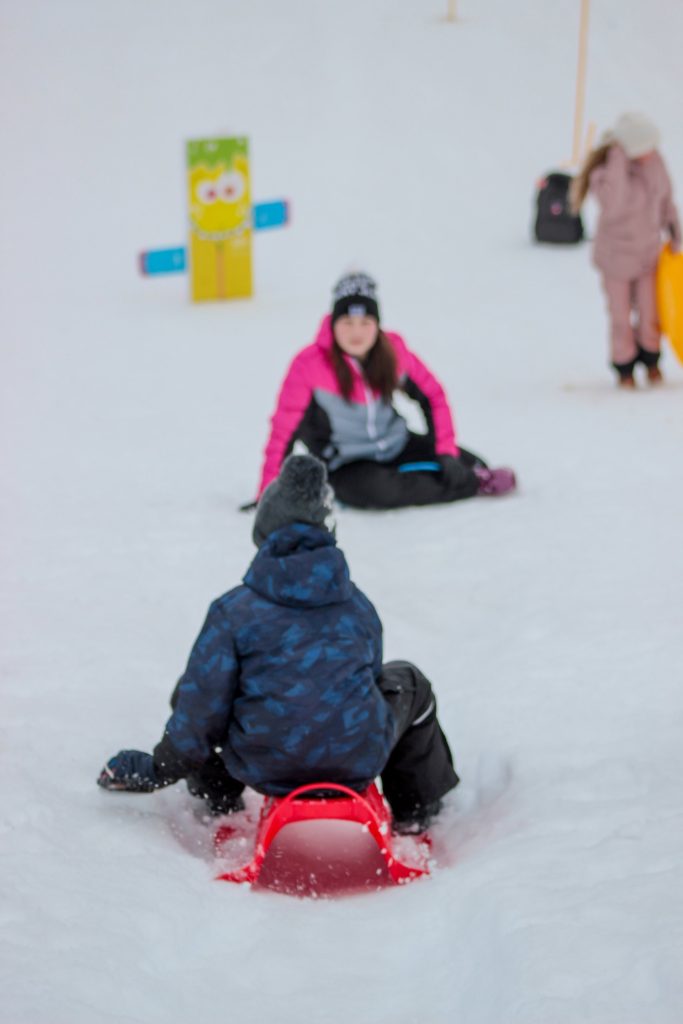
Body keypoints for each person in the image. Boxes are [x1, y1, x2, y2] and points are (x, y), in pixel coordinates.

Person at [98, 454, 459, 834]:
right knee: (410, 682)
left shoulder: (233, 611)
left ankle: (219, 797)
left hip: (265, 767)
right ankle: (415, 809)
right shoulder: (357, 606)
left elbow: (198, 711)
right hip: (356, 762)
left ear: (264, 538)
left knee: (202, 688)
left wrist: (157, 769)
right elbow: (368, 681)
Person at [252, 271, 516, 509]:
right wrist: (268, 493)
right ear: (333, 323)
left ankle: (464, 476)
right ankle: (472, 485)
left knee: (471, 462)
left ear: (377, 324)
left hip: (396, 443)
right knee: (380, 490)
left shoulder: (392, 352)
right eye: (347, 322)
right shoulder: (309, 365)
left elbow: (433, 396)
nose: (356, 332)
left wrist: (445, 452)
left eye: (365, 322)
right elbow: (283, 429)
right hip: (347, 464)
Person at [570, 112, 681, 388]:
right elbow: (613, 206)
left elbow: (666, 199)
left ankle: (652, 361)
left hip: (648, 256)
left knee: (650, 313)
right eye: (644, 147)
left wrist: (676, 232)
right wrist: (617, 160)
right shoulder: (605, 173)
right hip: (615, 260)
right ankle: (625, 368)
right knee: (620, 316)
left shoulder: (655, 163)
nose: (651, 152)